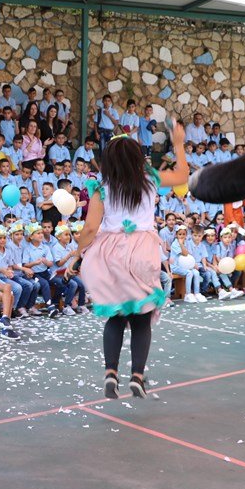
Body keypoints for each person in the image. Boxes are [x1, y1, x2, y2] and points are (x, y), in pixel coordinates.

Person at [74, 124, 188, 399]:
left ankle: (110, 371)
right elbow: (183, 174)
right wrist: (180, 144)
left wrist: (78, 250)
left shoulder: (102, 188)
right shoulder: (150, 180)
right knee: (141, 317)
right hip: (143, 251)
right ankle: (137, 375)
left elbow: (90, 228)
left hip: (112, 252)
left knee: (115, 315)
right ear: (138, 157)